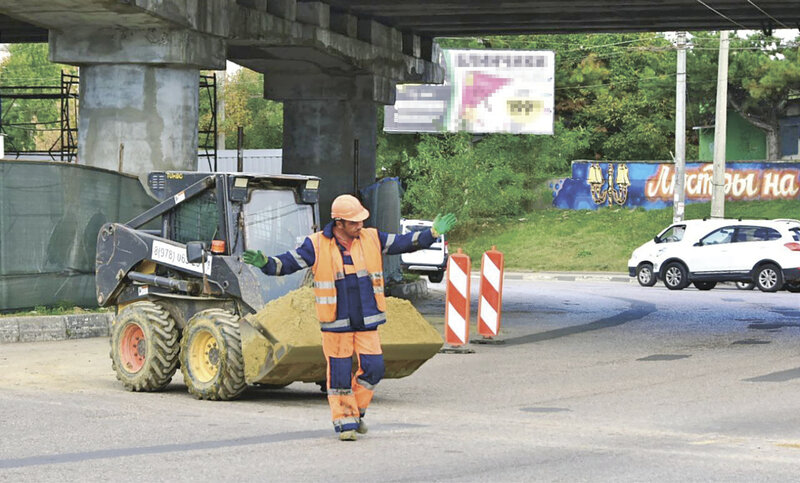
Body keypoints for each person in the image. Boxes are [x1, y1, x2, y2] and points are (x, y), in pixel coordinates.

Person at [243, 194, 456, 441]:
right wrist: (266, 263)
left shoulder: (372, 238)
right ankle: (345, 424)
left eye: (361, 220)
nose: (360, 225)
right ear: (339, 222)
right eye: (354, 222)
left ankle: (355, 412)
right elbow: (288, 263)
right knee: (340, 376)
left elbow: (402, 243)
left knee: (374, 368)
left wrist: (430, 234)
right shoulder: (316, 244)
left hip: (367, 320)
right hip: (336, 324)